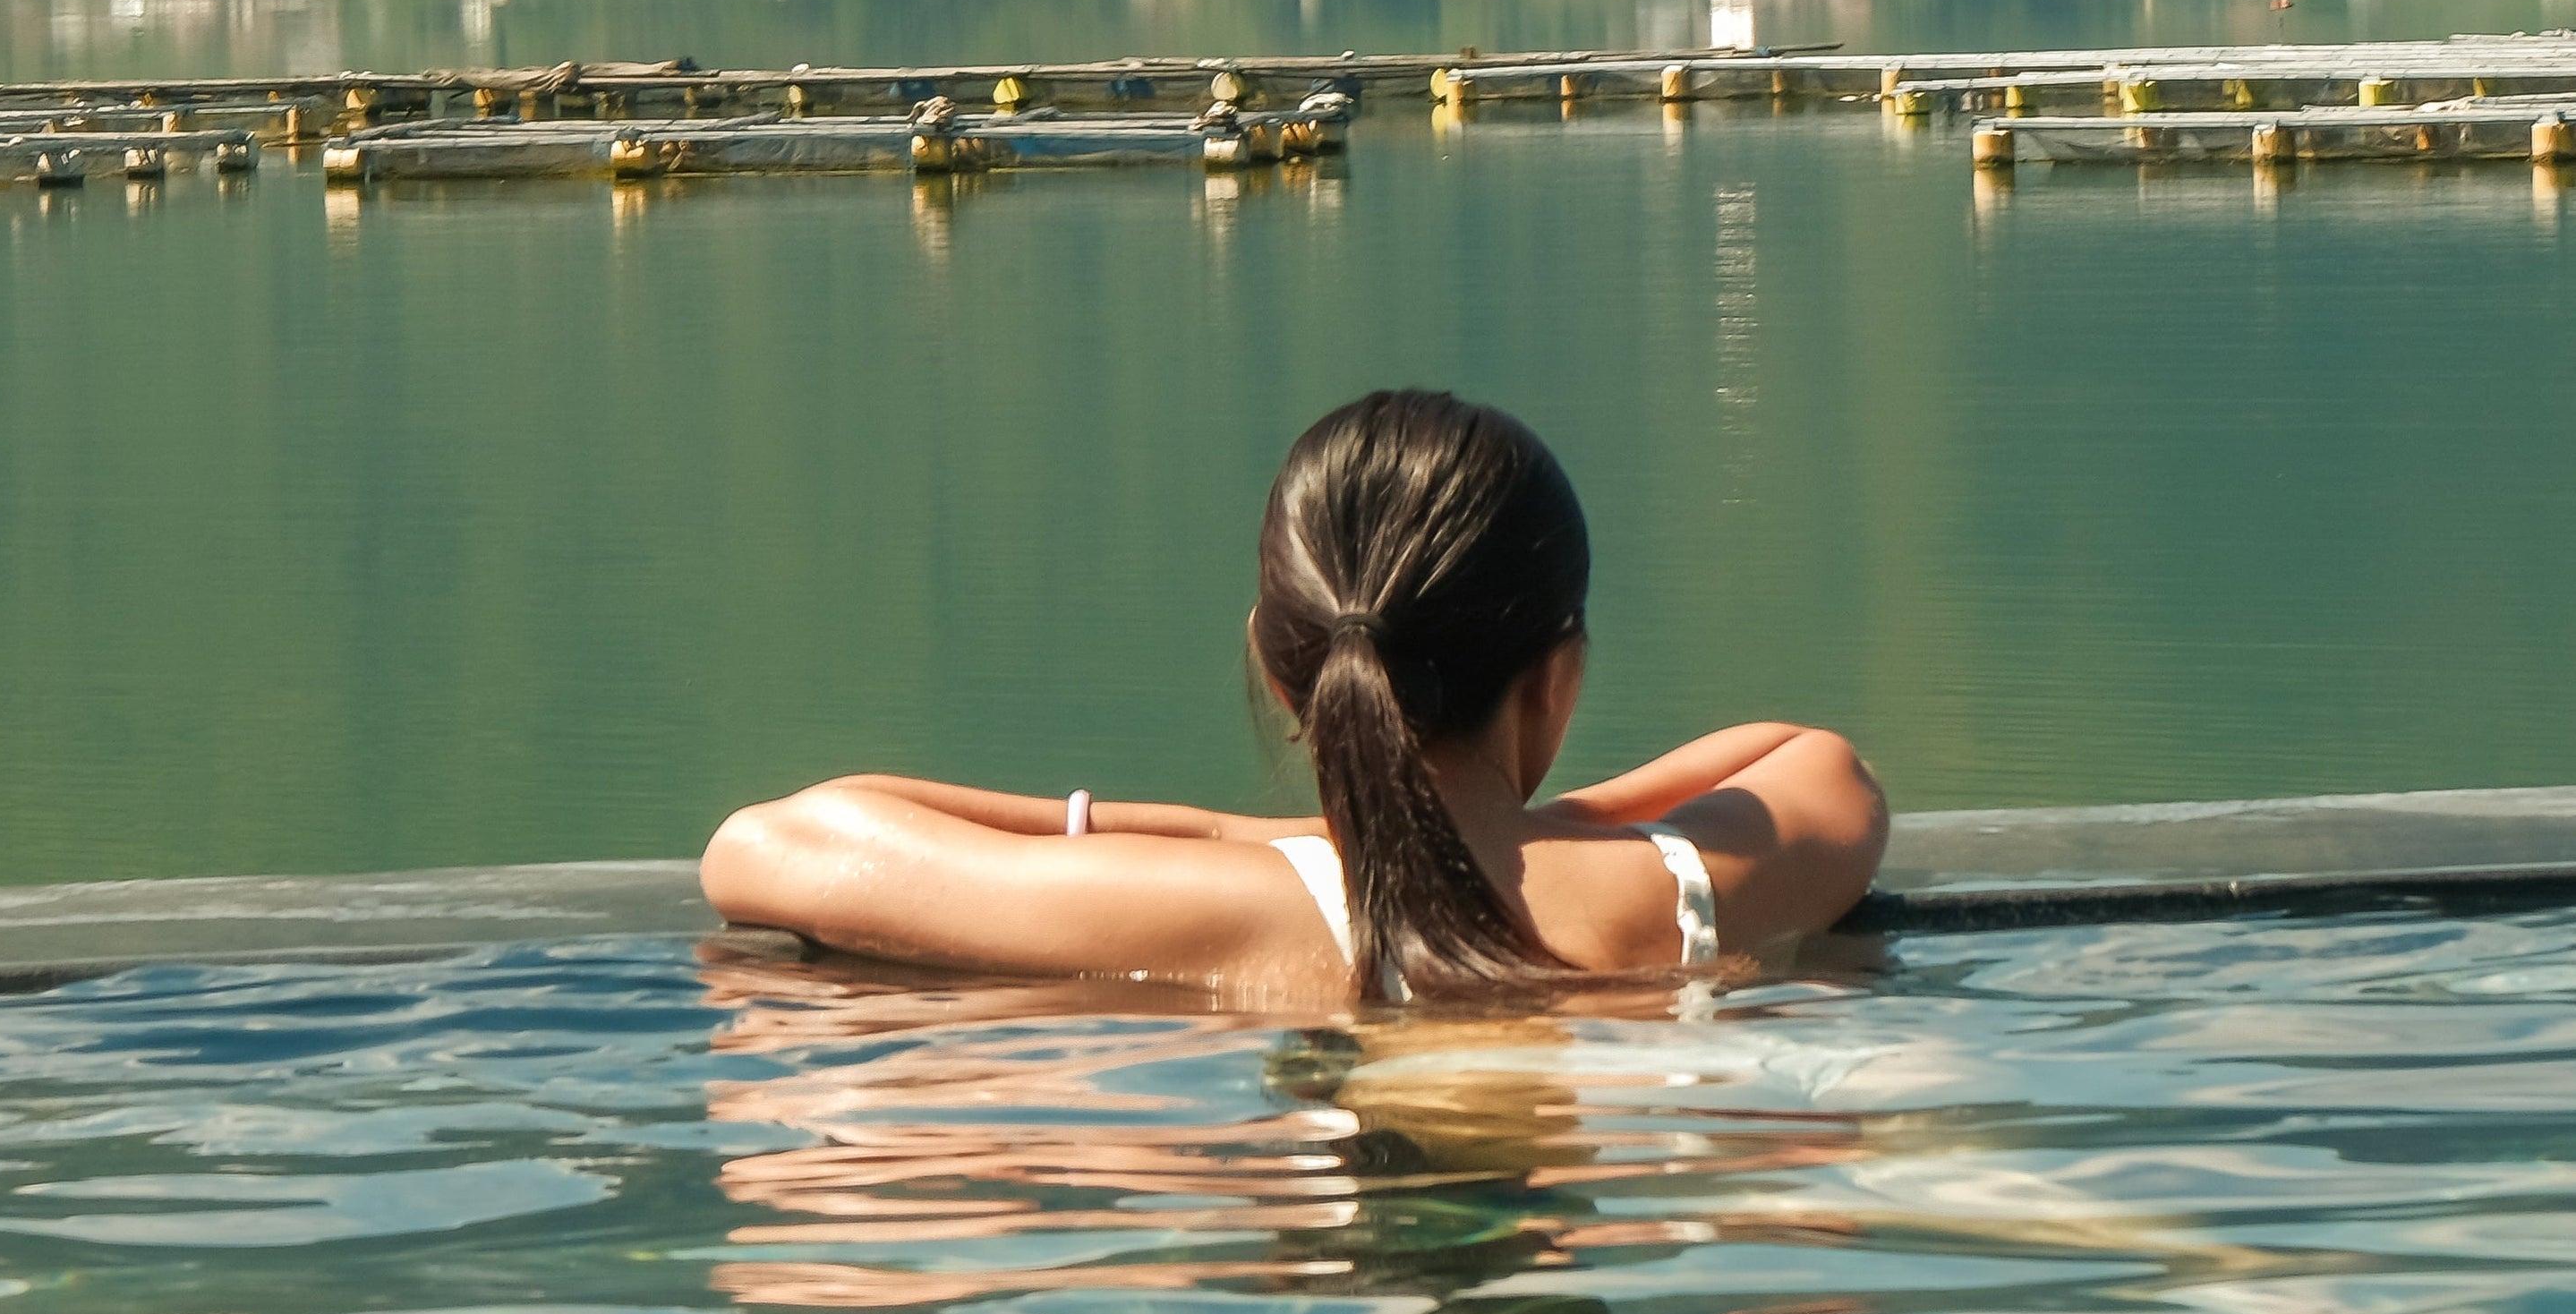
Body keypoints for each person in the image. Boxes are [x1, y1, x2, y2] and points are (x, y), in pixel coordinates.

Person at [702, 387, 1889, 1004]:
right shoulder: (1688, 888)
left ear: (1283, 675)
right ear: (1558, 679)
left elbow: (768, 845)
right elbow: (1800, 754)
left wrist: (1249, 837)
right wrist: (1533, 835)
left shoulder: (1208, 909)